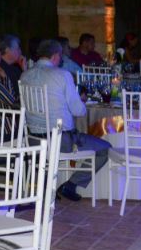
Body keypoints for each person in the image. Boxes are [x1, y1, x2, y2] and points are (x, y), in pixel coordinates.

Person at [20, 39, 111, 201]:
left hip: (33, 139)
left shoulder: (25, 75)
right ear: (56, 56)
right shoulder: (62, 75)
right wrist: (81, 101)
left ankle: (46, 189)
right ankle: (71, 185)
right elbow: (78, 111)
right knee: (105, 149)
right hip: (60, 141)